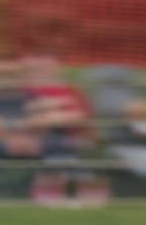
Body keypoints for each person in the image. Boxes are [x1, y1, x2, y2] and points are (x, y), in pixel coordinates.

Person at [22, 54, 106, 208]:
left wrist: (51, 110)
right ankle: (50, 195)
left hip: (76, 134)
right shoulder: (26, 91)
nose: (43, 72)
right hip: (45, 135)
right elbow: (30, 118)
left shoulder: (70, 90)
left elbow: (82, 115)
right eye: (37, 69)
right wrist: (61, 108)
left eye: (47, 68)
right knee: (56, 144)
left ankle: (88, 197)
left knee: (82, 148)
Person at [0, 56, 41, 198]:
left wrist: (30, 136)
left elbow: (39, 119)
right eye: (3, 75)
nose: (7, 79)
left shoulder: (29, 95)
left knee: (45, 145)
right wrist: (6, 138)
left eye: (11, 75)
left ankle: (29, 191)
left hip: (29, 138)